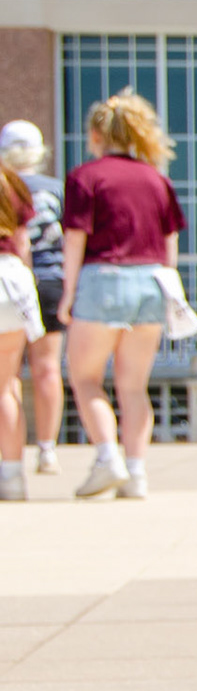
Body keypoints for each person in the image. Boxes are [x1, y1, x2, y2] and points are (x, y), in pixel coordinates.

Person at [58, 89, 187, 501]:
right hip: (151, 281)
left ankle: (106, 456)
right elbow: (170, 245)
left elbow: (75, 240)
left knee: (86, 378)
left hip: (102, 279)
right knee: (134, 386)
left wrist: (68, 293)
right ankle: (136, 472)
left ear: (96, 136)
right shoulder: (156, 178)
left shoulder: (85, 176)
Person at [1, 120, 64, 474]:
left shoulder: (6, 184)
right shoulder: (56, 188)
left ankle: (10, 458)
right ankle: (47, 449)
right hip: (51, 280)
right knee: (47, 368)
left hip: (10, 280)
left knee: (7, 378)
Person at [0, 165, 44, 501]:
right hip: (11, 279)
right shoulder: (10, 181)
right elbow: (23, 242)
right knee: (5, 384)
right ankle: (13, 477)